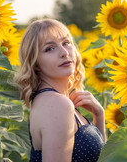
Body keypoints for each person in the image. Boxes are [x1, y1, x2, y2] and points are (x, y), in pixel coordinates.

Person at [14, 18, 106, 162]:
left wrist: (99, 115)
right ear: (35, 63)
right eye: (49, 48)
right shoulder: (56, 105)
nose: (64, 52)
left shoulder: (55, 101)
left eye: (66, 43)